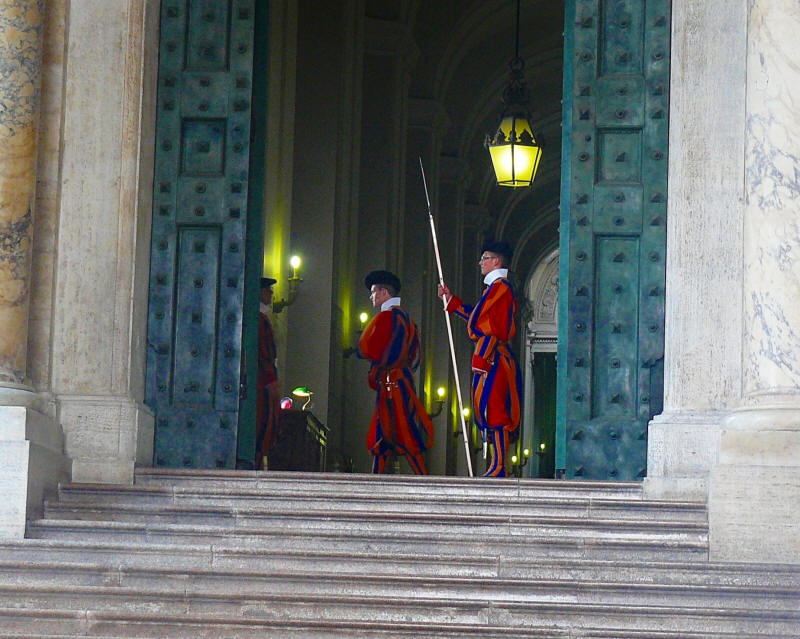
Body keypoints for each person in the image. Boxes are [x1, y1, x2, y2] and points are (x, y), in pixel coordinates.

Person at [437, 240, 522, 477]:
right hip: (490, 354)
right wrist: (451, 300)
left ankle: (500, 466)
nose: (480, 263)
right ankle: (497, 464)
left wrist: (481, 357)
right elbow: (478, 317)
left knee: (494, 410)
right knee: (487, 409)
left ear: (496, 261)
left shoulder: (500, 288)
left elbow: (492, 329)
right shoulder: (493, 289)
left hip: (493, 355)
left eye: (484, 258)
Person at [357, 270, 434, 475]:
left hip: (392, 384)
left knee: (403, 431)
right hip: (402, 381)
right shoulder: (408, 320)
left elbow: (367, 348)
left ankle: (423, 479)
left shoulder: (387, 318)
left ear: (384, 292)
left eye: (373, 292)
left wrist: (376, 363)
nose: (371, 296)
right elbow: (416, 357)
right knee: (384, 433)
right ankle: (376, 480)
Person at [255, 276, 281, 470]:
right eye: (267, 290)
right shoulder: (259, 321)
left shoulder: (263, 319)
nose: (271, 294)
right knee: (261, 423)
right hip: (261, 383)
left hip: (264, 380)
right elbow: (264, 354)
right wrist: (271, 380)